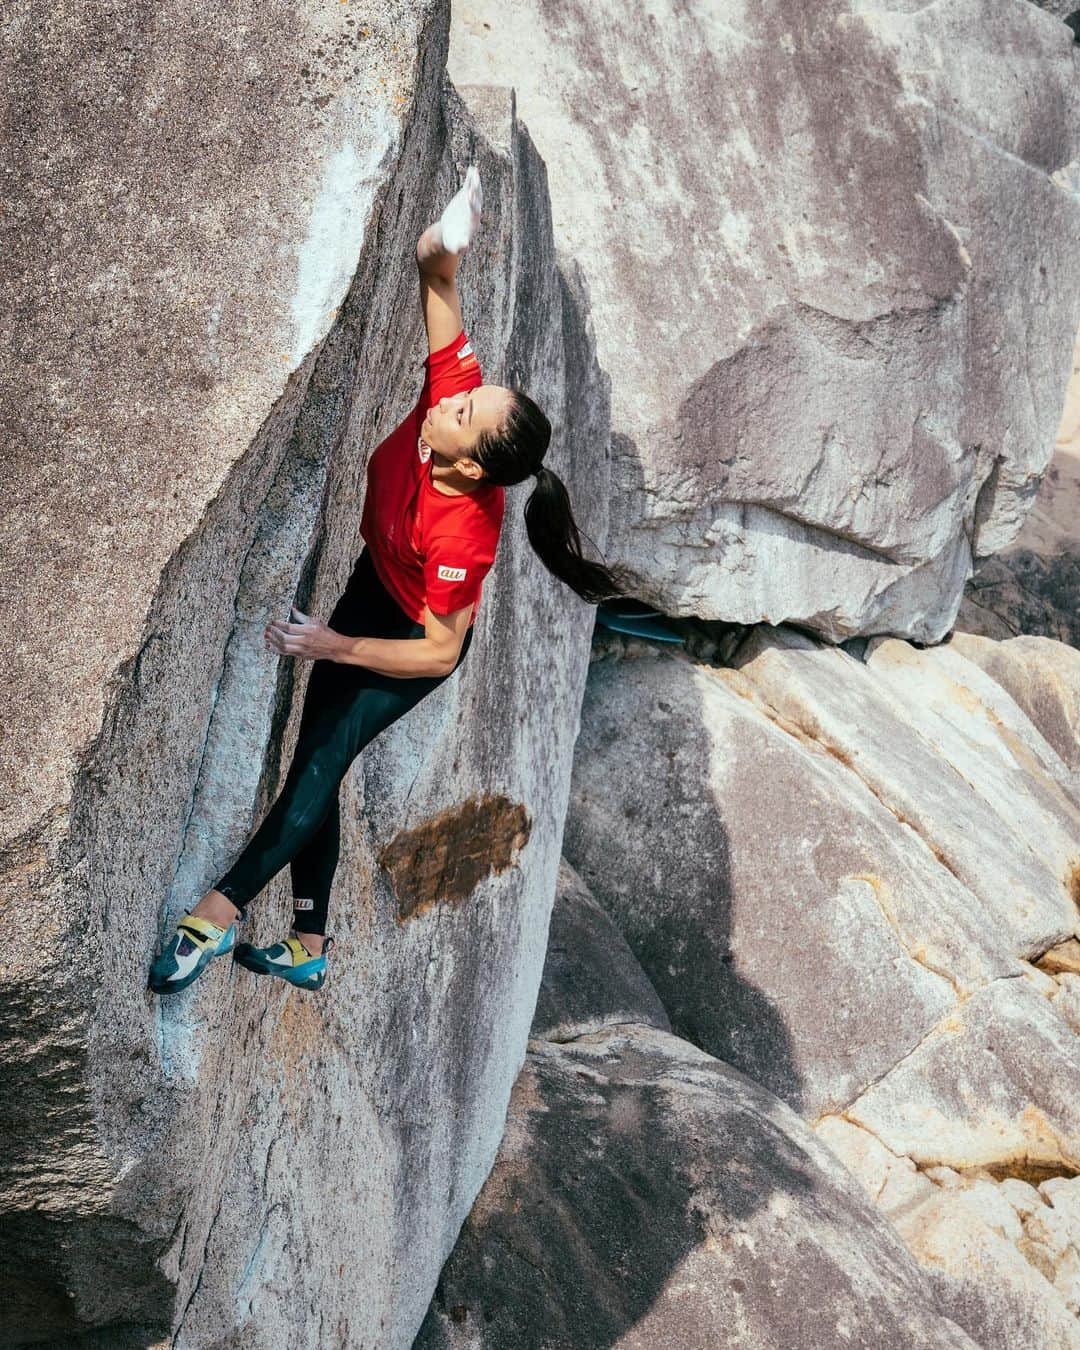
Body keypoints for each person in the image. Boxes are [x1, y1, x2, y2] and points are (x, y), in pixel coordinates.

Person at [149, 166, 628, 997]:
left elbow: (441, 654)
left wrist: (337, 644)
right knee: (316, 766)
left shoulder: (464, 533)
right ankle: (308, 945)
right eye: (471, 393)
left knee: (317, 765)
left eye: (469, 411)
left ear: (472, 460)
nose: (454, 399)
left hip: (406, 642)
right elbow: (433, 273)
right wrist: (447, 241)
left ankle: (211, 920)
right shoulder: (453, 396)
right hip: (372, 592)